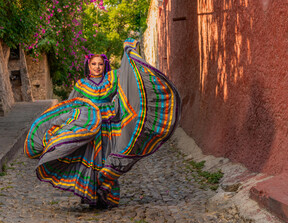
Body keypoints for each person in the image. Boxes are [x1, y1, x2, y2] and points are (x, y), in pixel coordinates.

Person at [24, 38, 181, 209]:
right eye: (93, 64)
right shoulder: (81, 85)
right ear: (88, 66)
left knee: (106, 159)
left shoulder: (112, 78)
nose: (97, 67)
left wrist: (128, 51)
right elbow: (72, 104)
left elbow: (129, 75)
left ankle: (106, 195)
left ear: (104, 65)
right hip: (89, 129)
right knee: (91, 158)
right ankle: (90, 194)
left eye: (100, 64)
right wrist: (64, 126)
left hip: (108, 126)